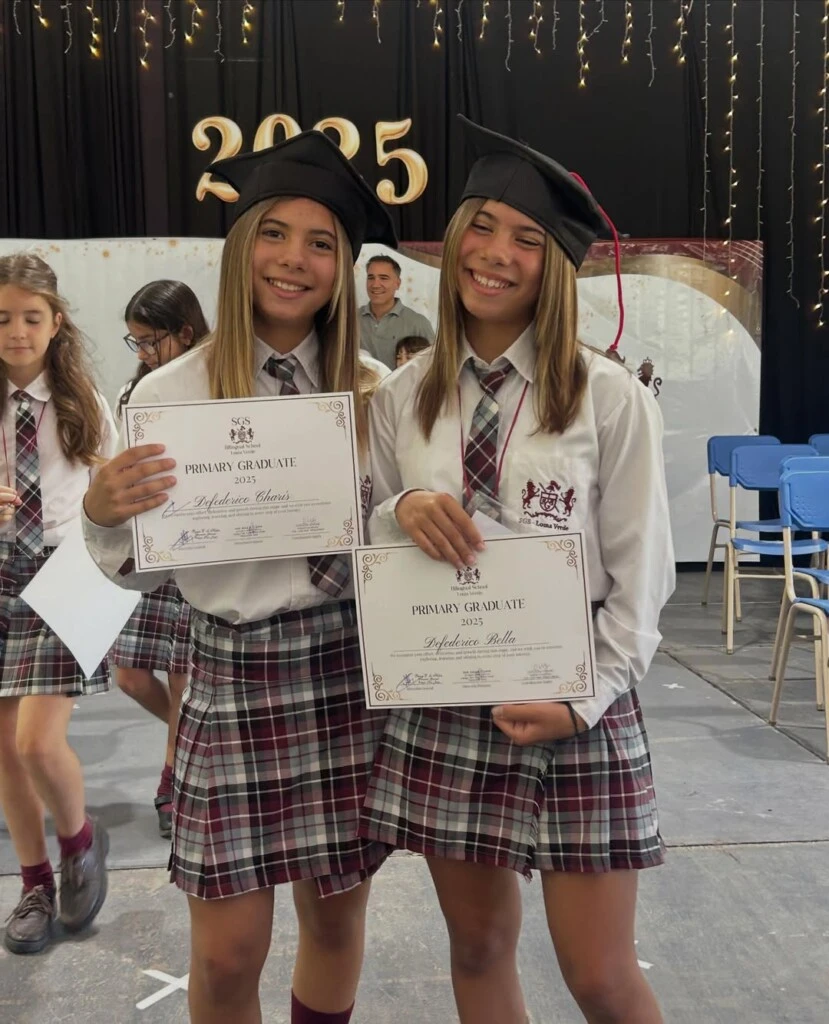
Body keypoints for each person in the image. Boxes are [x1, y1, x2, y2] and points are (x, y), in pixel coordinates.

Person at [362, 116, 675, 1024]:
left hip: (578, 696)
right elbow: (377, 551)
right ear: (454, 238)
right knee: (478, 947)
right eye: (483, 227)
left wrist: (587, 695)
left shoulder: (605, 395)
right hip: (445, 696)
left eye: (527, 239)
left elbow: (642, 572)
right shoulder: (398, 398)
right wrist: (395, 511)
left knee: (601, 976)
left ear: (556, 267)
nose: (497, 254)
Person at [81, 131, 397, 1024]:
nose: (294, 260)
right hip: (232, 672)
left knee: (336, 927)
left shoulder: (378, 392)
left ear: (343, 268)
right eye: (274, 233)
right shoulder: (167, 395)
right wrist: (103, 515)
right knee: (225, 959)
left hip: (345, 670)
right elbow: (138, 574)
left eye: (322, 243)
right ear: (240, 246)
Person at [0, 253, 115, 955]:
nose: (14, 331)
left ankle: (79, 841)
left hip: (67, 570)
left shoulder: (83, 401)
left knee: (36, 743)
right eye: (2, 318)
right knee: (4, 753)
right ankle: (34, 884)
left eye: (29, 318)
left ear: (55, 323)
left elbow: (114, 494)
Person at [111, 280, 209, 839]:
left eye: (150, 341)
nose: (143, 353)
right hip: (146, 549)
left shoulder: (211, 383)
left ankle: (173, 772)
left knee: (182, 680)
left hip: (192, 546)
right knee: (129, 675)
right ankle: (188, 745)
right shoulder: (136, 391)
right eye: (136, 342)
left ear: (185, 333)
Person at [359, 254, 434, 369]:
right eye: (371, 278)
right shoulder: (349, 320)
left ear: (397, 284)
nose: (375, 284)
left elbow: (435, 367)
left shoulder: (418, 324)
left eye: (383, 278)